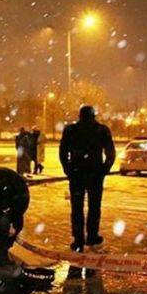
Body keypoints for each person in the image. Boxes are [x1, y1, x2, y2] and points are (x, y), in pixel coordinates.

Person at [59, 105, 115, 255]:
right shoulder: (102, 130)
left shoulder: (71, 130)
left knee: (77, 208)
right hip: (95, 173)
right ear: (93, 116)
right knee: (94, 207)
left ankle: (78, 239)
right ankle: (91, 236)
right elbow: (111, 153)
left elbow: (63, 152)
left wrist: (68, 169)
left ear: (80, 116)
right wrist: (104, 169)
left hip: (77, 173)